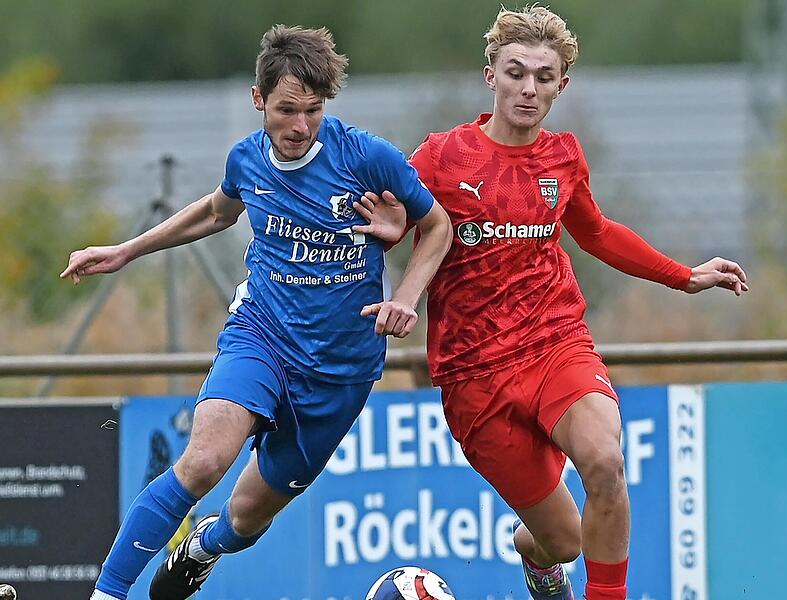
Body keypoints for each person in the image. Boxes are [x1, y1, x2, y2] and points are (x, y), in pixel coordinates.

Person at [364, 6, 748, 600]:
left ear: (561, 85)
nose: (529, 88)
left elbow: (595, 231)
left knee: (605, 462)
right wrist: (387, 240)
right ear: (490, 74)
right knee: (564, 542)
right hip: (475, 373)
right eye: (516, 72)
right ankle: (535, 556)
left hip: (555, 343)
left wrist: (683, 276)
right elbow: (385, 218)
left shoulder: (563, 156)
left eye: (544, 77)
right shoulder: (441, 157)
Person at [61, 25, 452, 600]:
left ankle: (202, 548)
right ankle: (108, 593)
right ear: (258, 100)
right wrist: (127, 250)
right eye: (287, 110)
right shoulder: (247, 160)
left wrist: (404, 299)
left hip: (340, 369)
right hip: (261, 336)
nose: (300, 126)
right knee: (202, 462)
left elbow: (437, 225)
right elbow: (217, 211)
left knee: (246, 517)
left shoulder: (367, 157)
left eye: (313, 111)